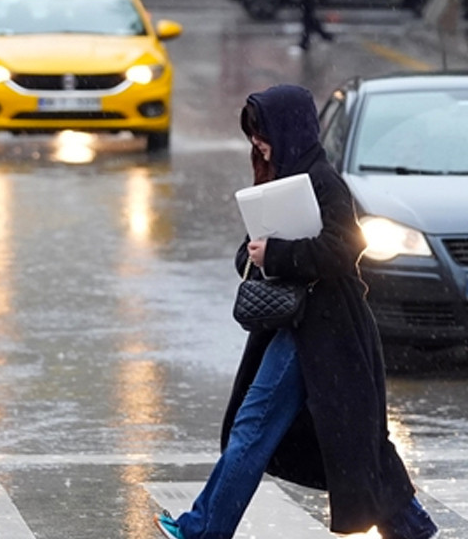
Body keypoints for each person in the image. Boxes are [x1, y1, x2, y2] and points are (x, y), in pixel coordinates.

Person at [155, 85, 437, 539]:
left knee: (268, 429)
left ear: (287, 129)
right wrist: (253, 255)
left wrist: (278, 255)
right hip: (300, 326)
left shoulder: (324, 181)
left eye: (262, 133)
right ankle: (413, 528)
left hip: (325, 329)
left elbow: (344, 250)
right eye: (253, 135)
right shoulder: (284, 180)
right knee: (351, 442)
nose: (258, 144)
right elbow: (257, 251)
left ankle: (203, 529)